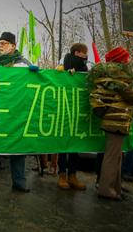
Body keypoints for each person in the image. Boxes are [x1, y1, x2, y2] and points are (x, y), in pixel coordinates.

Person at [0, 32, 32, 193]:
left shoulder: (23, 65)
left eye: (4, 43)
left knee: (17, 148)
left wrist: (37, 74)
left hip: (16, 114)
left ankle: (19, 182)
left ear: (13, 46)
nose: (0, 45)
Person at [88, 46, 133, 201]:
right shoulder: (117, 74)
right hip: (116, 119)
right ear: (120, 59)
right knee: (112, 157)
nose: (129, 59)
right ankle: (106, 189)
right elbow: (132, 96)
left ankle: (115, 188)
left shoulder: (113, 73)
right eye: (127, 57)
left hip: (118, 119)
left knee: (116, 157)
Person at [56, 43, 88, 191]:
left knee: (75, 146)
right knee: (64, 145)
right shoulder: (63, 67)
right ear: (77, 53)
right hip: (65, 111)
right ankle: (62, 175)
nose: (85, 56)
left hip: (77, 112)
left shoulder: (84, 68)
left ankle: (72, 175)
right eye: (84, 53)